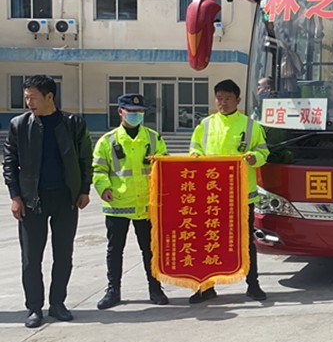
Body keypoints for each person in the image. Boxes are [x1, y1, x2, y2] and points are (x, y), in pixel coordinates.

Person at [2, 75, 93, 328]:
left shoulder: (73, 124)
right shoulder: (20, 125)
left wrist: (84, 189)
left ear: (49, 96)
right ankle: (34, 308)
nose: (28, 102)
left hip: (65, 199)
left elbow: (85, 159)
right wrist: (15, 196)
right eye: (26, 97)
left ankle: (57, 304)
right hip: (32, 200)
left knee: (63, 255)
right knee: (31, 258)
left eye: (32, 97)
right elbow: (9, 162)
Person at [188, 79, 269, 303]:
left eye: (228, 99)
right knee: (208, 241)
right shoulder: (205, 124)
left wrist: (255, 157)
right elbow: (195, 147)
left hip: (241, 195)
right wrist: (195, 155)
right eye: (219, 99)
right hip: (211, 195)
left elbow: (264, 152)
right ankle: (206, 286)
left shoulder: (250, 126)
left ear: (238, 100)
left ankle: (253, 284)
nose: (223, 103)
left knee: (245, 242)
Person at [92, 93, 169, 310]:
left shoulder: (153, 138)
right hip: (118, 204)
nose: (136, 115)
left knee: (150, 249)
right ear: (120, 112)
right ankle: (113, 291)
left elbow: (164, 165)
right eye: (132, 111)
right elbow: (99, 169)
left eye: (140, 111)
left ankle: (155, 288)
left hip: (146, 204)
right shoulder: (107, 141)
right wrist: (103, 187)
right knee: (115, 250)